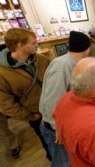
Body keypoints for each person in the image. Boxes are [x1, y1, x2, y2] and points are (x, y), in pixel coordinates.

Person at [39, 31, 90, 166]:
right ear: (86, 48)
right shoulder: (62, 66)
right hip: (55, 129)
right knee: (62, 163)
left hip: (62, 124)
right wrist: (58, 129)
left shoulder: (71, 63)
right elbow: (52, 102)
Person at [0, 28, 51, 160]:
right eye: (33, 43)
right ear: (20, 45)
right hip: (36, 115)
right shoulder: (2, 73)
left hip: (53, 109)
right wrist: (30, 116)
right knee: (48, 143)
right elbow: (6, 104)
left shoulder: (42, 59)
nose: (37, 45)